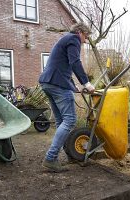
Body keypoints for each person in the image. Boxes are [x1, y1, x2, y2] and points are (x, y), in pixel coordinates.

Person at [39, 23, 95, 172]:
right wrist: (86, 83)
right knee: (70, 120)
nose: (85, 40)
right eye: (86, 36)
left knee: (61, 121)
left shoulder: (65, 39)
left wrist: (74, 86)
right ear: (80, 32)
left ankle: (62, 155)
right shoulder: (73, 39)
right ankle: (50, 158)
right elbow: (75, 62)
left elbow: (62, 65)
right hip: (57, 84)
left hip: (48, 83)